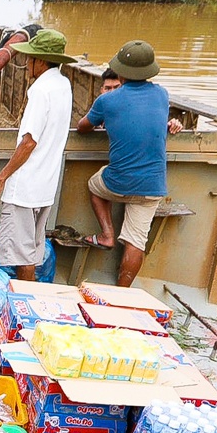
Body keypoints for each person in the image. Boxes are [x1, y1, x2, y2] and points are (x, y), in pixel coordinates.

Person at [76, 40, 174, 288]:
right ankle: (122, 293)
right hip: (153, 186)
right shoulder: (162, 94)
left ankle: (107, 234)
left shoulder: (108, 101)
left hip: (117, 183)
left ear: (121, 72)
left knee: (94, 184)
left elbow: (82, 127)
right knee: (136, 241)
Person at [0, 30, 75, 281]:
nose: (27, 63)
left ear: (40, 61)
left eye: (30, 58)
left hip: (25, 189)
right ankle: (30, 297)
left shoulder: (40, 90)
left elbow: (29, 142)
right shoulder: (63, 85)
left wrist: (0, 179)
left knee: (22, 257)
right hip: (45, 186)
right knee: (31, 253)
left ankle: (26, 301)